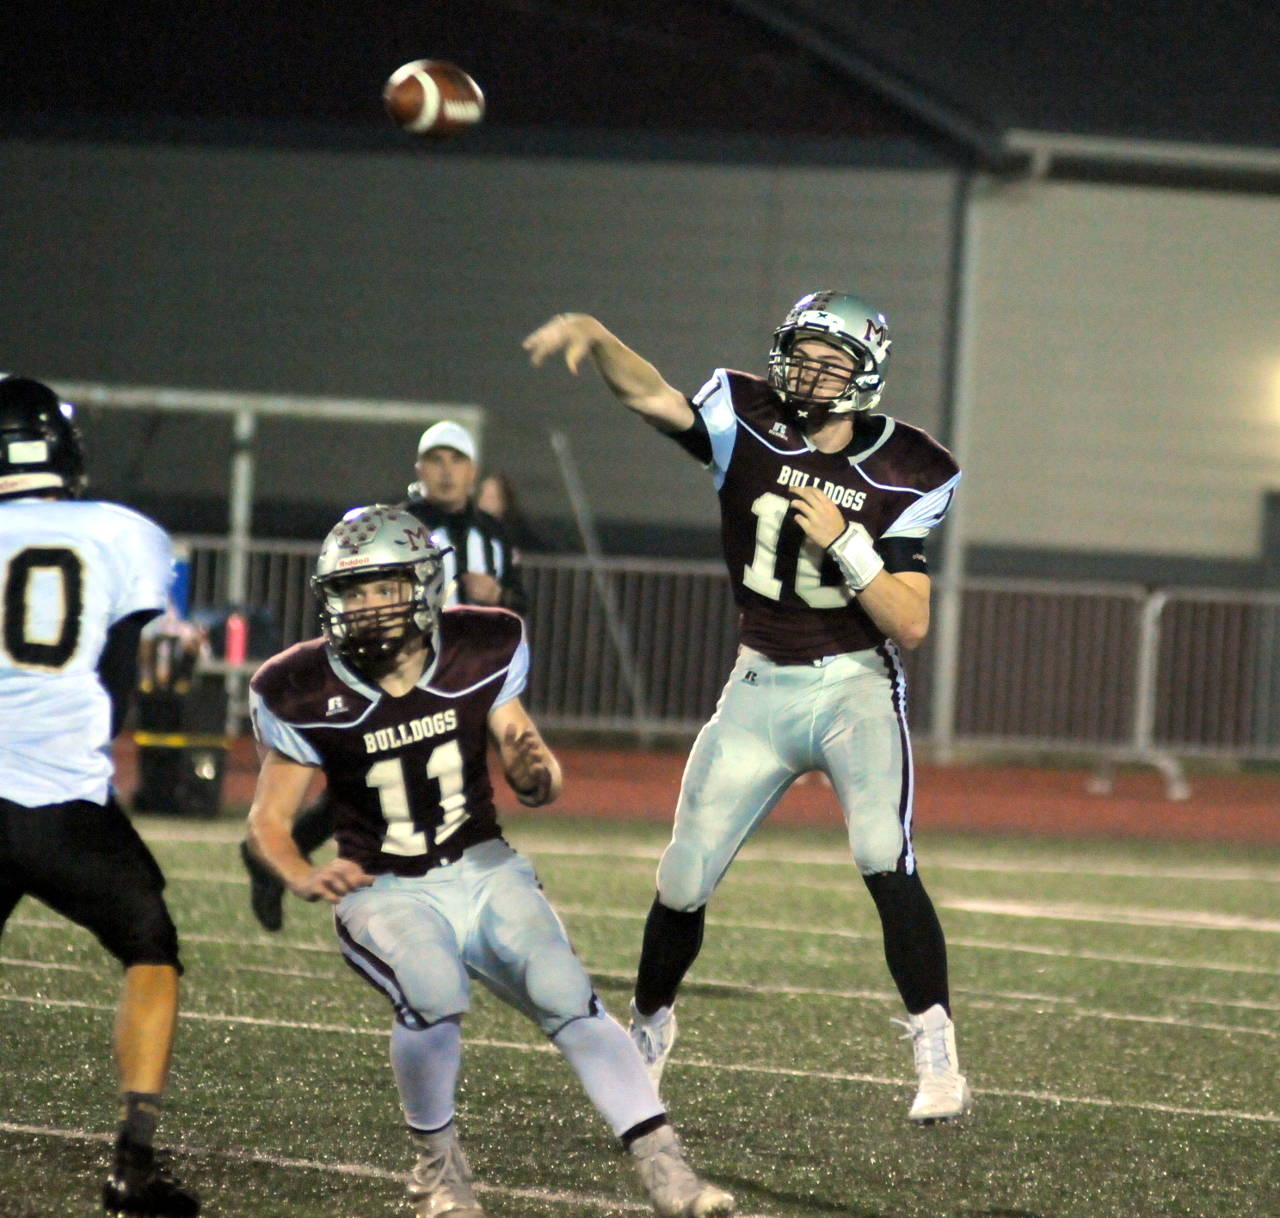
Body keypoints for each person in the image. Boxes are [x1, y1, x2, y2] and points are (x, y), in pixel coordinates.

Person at [524, 291, 972, 1124]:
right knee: (683, 875)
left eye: (830, 359)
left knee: (884, 854)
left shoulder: (908, 466)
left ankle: (936, 1046)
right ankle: (649, 1031)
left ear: (865, 374)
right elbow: (651, 395)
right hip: (761, 679)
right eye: (801, 352)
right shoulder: (746, 415)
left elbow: (909, 622)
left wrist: (845, 541)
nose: (810, 370)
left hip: (853, 685)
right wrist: (599, 331)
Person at [242, 504, 733, 1218]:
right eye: (352, 591)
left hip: (484, 865)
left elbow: (536, 773)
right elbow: (268, 818)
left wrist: (536, 771)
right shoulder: (301, 684)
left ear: (424, 586)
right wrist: (297, 873)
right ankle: (440, 1173)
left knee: (565, 989)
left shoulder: (481, 646)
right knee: (434, 990)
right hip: (386, 888)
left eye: (384, 588)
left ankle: (667, 1171)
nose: (368, 607)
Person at [0, 376, 200, 1215]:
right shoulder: (126, 533)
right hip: (65, 804)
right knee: (150, 952)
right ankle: (133, 1165)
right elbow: (142, 664)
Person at [238, 420, 532, 932]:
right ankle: (294, 858)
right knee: (374, 781)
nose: (445, 471)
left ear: (472, 470)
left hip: (462, 677)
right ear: (420, 469)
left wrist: (501, 598)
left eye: (455, 460)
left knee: (428, 780)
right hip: (401, 672)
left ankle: (442, 888)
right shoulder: (399, 525)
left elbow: (521, 598)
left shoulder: (495, 533)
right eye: (435, 460)